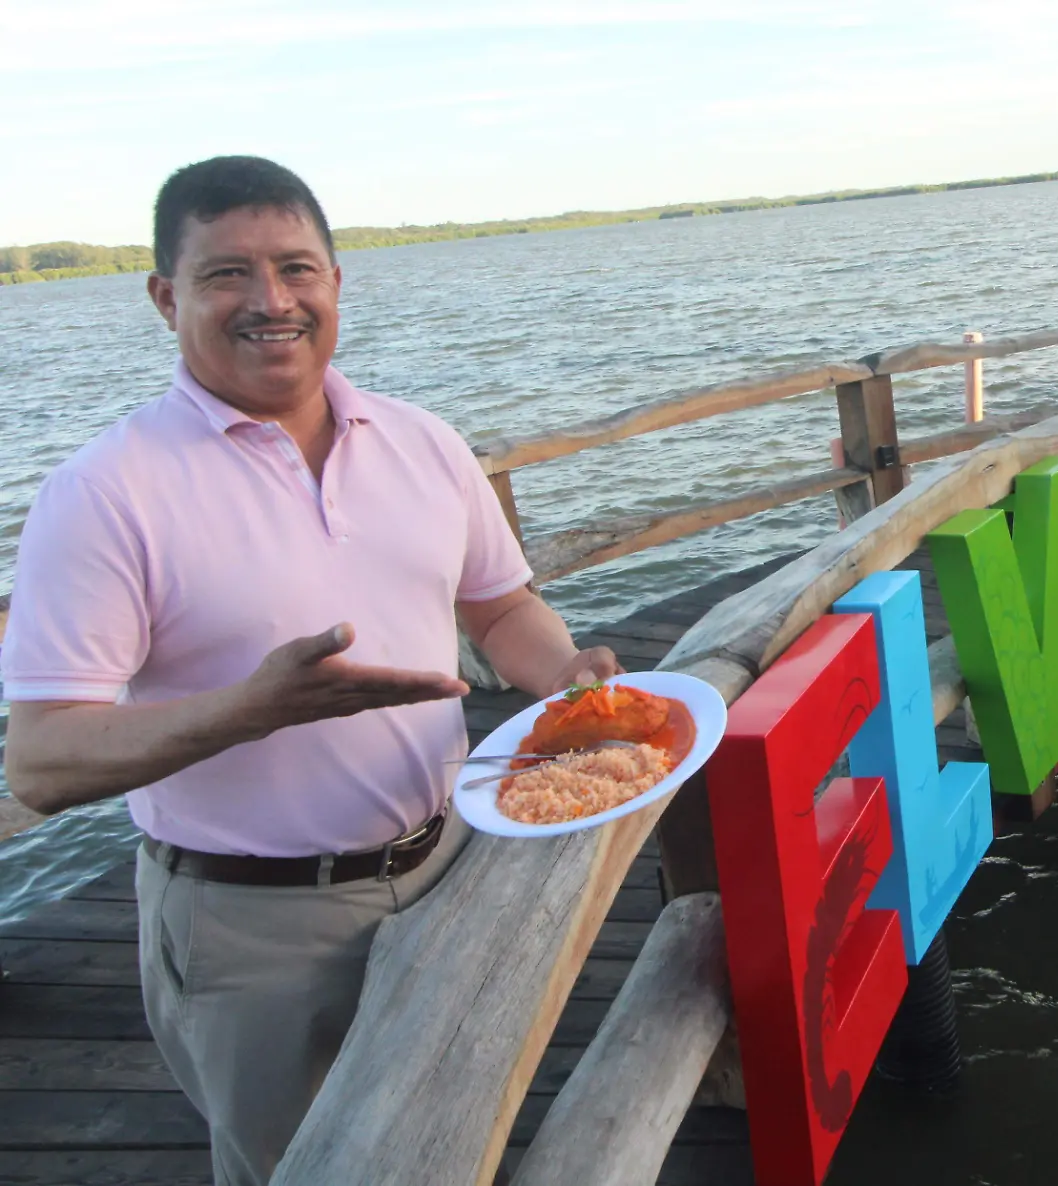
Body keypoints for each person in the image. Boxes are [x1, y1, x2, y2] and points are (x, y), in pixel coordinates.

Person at [0, 155, 620, 1186]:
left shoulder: (420, 441)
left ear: (338, 281)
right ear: (165, 298)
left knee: (461, 1136)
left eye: (296, 268)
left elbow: (499, 605)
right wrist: (249, 711)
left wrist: (566, 672)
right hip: (252, 928)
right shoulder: (107, 493)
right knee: (310, 1170)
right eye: (227, 274)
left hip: (448, 864)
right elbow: (42, 761)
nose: (270, 300)